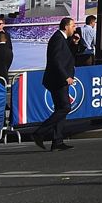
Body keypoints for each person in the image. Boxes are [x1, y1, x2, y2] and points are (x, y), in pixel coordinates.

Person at [38, 17, 76, 151]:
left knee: (61, 108)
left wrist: (73, 41)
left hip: (58, 79)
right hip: (58, 80)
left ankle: (57, 140)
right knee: (65, 107)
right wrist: (66, 77)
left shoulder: (63, 39)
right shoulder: (57, 38)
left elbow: (66, 55)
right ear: (66, 26)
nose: (74, 28)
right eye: (73, 25)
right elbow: (56, 60)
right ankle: (40, 132)